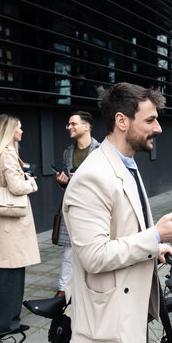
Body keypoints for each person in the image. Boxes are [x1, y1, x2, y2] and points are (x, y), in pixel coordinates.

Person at [62, 82, 172, 343]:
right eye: (150, 120)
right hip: (111, 321)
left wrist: (155, 249)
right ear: (121, 121)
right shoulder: (92, 176)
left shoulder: (125, 163)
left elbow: (122, 233)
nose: (158, 128)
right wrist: (155, 236)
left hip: (131, 309)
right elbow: (94, 256)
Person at [0, 114, 40, 334]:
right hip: (10, 224)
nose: (22, 132)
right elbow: (16, 188)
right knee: (12, 276)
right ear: (9, 131)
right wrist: (31, 183)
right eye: (19, 128)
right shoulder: (8, 154)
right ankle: (8, 324)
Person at [54, 111, 100, 298]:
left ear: (87, 126)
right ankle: (63, 289)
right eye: (68, 124)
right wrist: (63, 181)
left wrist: (82, 178)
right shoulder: (68, 152)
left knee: (94, 249)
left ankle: (92, 286)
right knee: (69, 250)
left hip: (95, 208)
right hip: (73, 207)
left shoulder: (100, 150)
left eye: (73, 124)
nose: (69, 127)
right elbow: (68, 183)